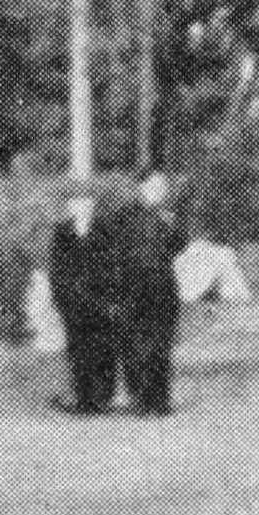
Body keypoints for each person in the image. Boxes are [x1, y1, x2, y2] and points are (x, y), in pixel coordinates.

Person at [107, 168, 191, 416]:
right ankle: (141, 399)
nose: (161, 191)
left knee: (161, 344)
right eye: (155, 186)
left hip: (163, 287)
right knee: (134, 344)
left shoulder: (168, 216)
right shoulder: (123, 216)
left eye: (163, 186)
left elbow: (179, 245)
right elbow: (113, 253)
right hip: (131, 288)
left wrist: (174, 222)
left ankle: (160, 400)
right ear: (142, 187)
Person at [44, 185, 124, 414]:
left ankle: (103, 398)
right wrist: (61, 300)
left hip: (100, 301)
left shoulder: (104, 230)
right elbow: (56, 270)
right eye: (76, 203)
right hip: (73, 304)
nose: (81, 207)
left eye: (86, 202)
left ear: (92, 205)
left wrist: (112, 299)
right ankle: (83, 399)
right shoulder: (62, 232)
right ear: (69, 206)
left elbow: (113, 266)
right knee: (78, 351)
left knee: (103, 350)